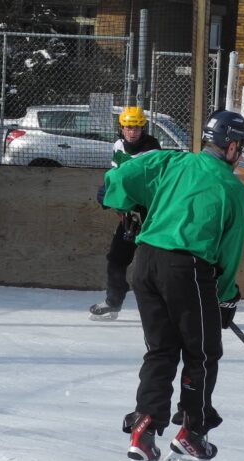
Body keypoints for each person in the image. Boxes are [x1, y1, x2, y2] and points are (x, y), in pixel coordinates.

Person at [104, 110, 244, 461]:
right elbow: (228, 253)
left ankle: (144, 429)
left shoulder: (171, 160)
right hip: (185, 269)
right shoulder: (233, 189)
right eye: (242, 146)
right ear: (231, 146)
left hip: (144, 263)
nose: (242, 153)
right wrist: (227, 296)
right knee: (202, 352)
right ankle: (192, 431)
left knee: (161, 349)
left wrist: (121, 202)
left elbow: (120, 176)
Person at [88, 107, 162, 320]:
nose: (133, 132)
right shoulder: (118, 145)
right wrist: (117, 206)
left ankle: (164, 308)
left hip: (149, 215)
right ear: (122, 128)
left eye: (138, 127)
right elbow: (115, 176)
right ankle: (113, 302)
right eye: (129, 127)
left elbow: (146, 185)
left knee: (153, 265)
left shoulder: (152, 150)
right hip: (129, 213)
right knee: (117, 258)